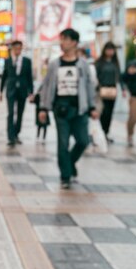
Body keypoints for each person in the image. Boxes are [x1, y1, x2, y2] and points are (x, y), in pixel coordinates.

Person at [38, 28, 99, 189]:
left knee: (83, 141)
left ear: (74, 42)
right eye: (61, 39)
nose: (62, 43)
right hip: (61, 110)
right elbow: (47, 86)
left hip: (80, 109)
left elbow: (89, 86)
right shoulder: (54, 64)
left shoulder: (84, 65)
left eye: (65, 39)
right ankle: (65, 176)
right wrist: (43, 108)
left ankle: (70, 164)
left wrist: (92, 106)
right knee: (62, 144)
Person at [0, 40, 33, 147]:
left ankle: (16, 134)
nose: (18, 50)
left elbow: (29, 77)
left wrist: (31, 92)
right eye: (16, 48)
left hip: (22, 90)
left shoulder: (27, 61)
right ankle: (10, 137)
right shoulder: (8, 61)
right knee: (10, 113)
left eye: (19, 48)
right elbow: (4, 76)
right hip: (10, 90)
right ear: (12, 49)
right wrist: (0, 91)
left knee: (20, 113)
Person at [95, 41, 125, 142]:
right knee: (101, 112)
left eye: (112, 50)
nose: (110, 52)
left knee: (109, 113)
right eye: (108, 49)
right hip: (101, 90)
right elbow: (95, 76)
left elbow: (120, 77)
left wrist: (123, 89)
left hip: (112, 90)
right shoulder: (99, 63)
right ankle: (99, 133)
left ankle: (106, 132)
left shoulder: (115, 63)